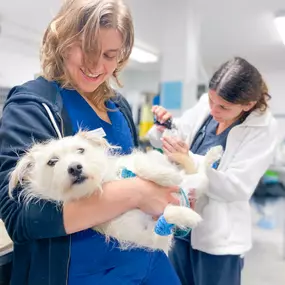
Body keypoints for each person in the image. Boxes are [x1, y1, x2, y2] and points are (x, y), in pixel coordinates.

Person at [0, 1, 181, 284]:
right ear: (63, 39)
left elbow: (126, 171)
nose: (97, 66)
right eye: (88, 50)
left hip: (148, 259)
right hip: (83, 273)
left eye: (110, 55)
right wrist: (137, 192)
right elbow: (20, 218)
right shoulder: (32, 105)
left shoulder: (117, 106)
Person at [148, 57, 279, 285]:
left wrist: (190, 162)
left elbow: (236, 187)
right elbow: (180, 135)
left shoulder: (263, 128)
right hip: (181, 226)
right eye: (211, 100)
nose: (213, 110)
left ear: (247, 105)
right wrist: (166, 127)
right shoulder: (208, 105)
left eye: (223, 107)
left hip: (218, 237)